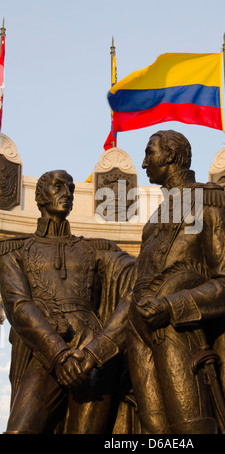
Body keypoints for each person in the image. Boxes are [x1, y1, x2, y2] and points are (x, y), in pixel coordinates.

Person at [126, 130, 225, 434]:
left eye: (149, 153)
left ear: (170, 155)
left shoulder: (209, 202)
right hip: (138, 332)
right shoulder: (154, 220)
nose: (144, 164)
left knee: (191, 430)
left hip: (179, 329)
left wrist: (171, 305)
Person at [0, 170, 136, 434]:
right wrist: (59, 356)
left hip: (92, 353)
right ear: (40, 197)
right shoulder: (14, 251)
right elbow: (18, 306)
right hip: (46, 350)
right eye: (58, 187)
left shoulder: (96, 249)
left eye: (71, 188)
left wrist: (99, 349)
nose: (68, 194)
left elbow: (139, 278)